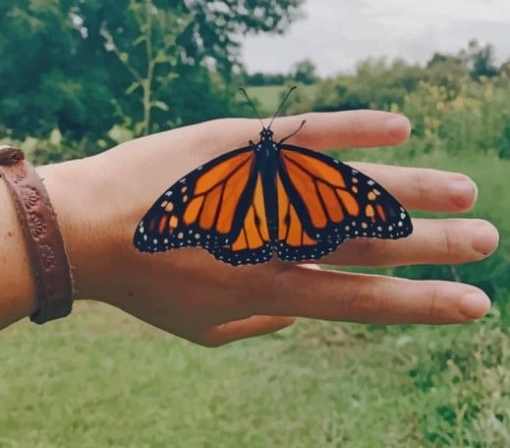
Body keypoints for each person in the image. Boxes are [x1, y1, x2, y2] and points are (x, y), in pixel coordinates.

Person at [1, 110, 499, 345]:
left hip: (248, 224)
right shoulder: (300, 166)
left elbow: (196, 204)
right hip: (289, 217)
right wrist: (89, 228)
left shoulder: (231, 171)